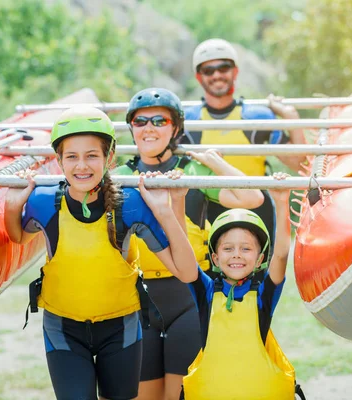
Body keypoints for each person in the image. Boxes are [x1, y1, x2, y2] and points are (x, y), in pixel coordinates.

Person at [4, 106, 198, 400]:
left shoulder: (130, 203)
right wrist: (11, 206)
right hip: (63, 329)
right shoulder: (44, 202)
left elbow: (187, 272)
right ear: (59, 161)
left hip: (120, 329)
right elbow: (18, 236)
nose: (82, 166)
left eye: (92, 155)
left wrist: (163, 210)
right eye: (72, 156)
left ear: (109, 158)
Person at [113, 87, 264, 400]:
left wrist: (215, 162)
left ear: (176, 128)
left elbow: (252, 197)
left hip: (188, 297)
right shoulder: (118, 176)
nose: (149, 128)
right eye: (140, 122)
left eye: (159, 120)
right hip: (138, 300)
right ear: (131, 128)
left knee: (181, 395)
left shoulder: (192, 169)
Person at [182, 172, 304, 399]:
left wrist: (280, 201)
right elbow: (183, 250)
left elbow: (281, 255)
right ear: (215, 258)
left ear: (259, 259)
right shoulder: (207, 293)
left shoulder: (263, 294)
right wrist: (178, 199)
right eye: (228, 249)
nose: (236, 255)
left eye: (246, 249)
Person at [184, 37, 307, 248]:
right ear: (199, 77)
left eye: (224, 67)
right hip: (207, 211)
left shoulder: (256, 117)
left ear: (235, 72)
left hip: (256, 210)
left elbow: (299, 163)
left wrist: (291, 117)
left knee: (260, 279)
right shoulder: (188, 121)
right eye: (208, 70)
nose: (217, 75)